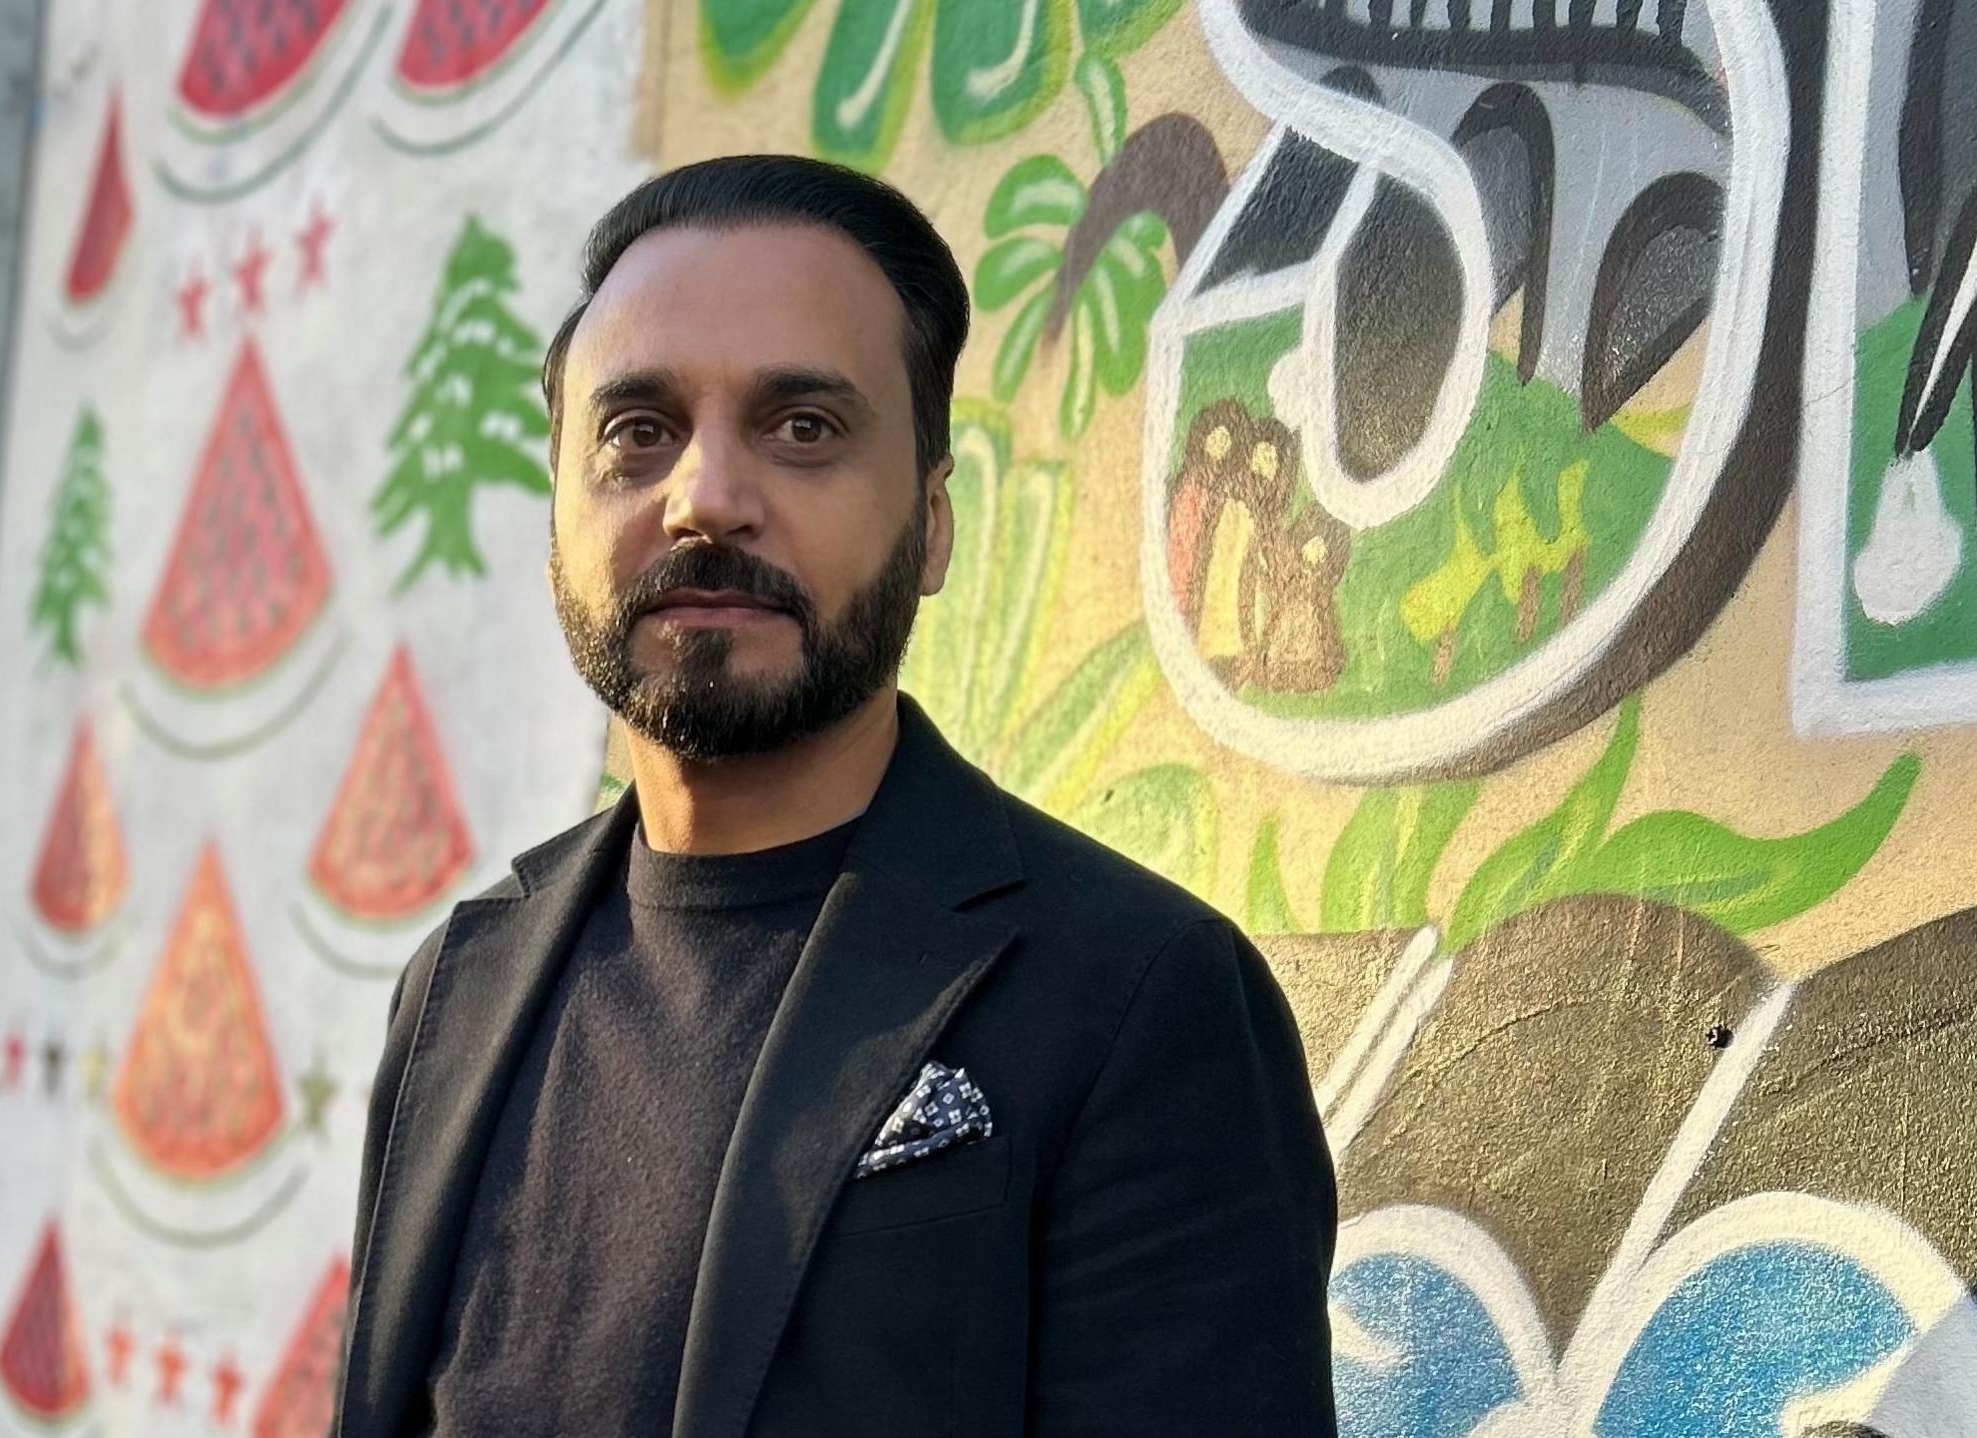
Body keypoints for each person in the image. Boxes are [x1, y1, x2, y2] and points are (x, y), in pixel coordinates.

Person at [332, 154, 1336, 1437]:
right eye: (636, 434)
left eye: (802, 428)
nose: (705, 499)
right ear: (556, 525)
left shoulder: (1139, 997)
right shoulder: (455, 990)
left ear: (931, 523)